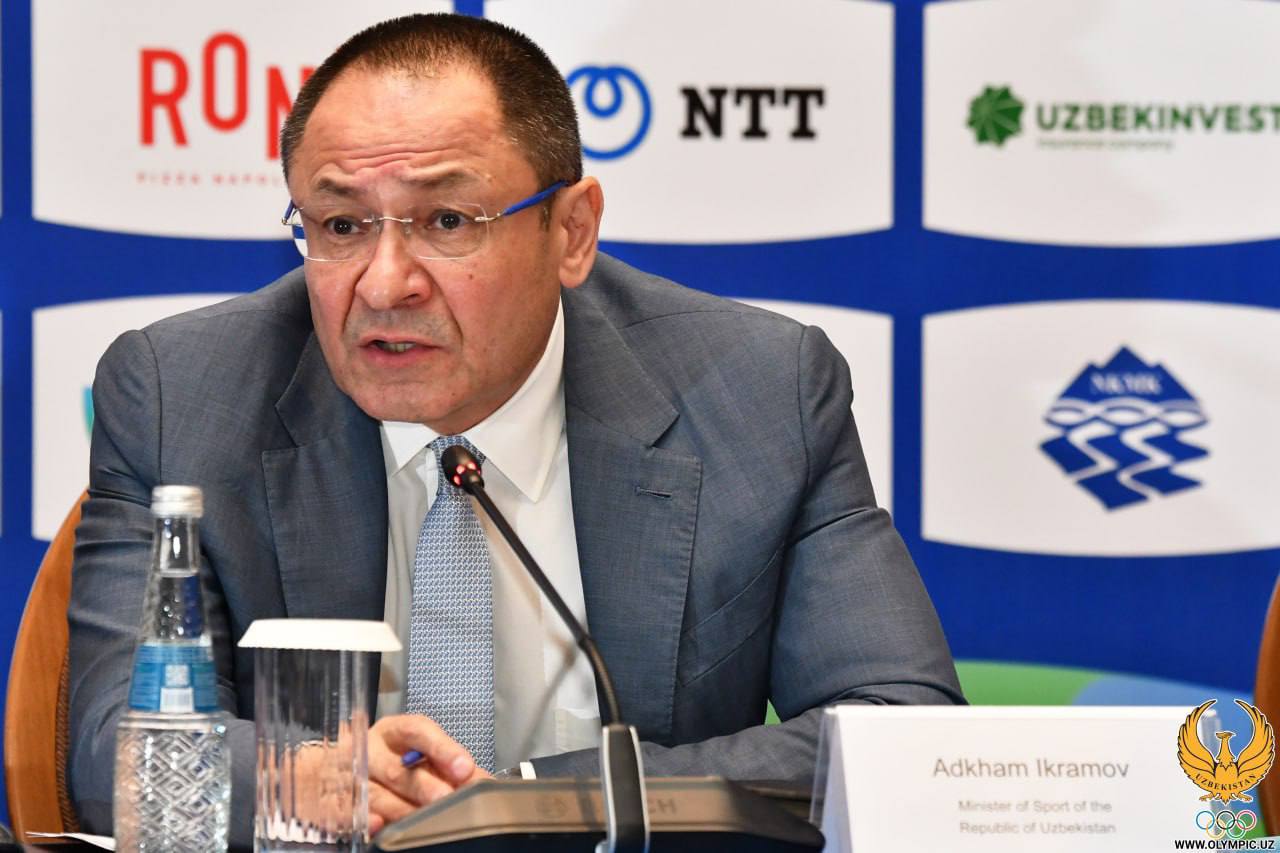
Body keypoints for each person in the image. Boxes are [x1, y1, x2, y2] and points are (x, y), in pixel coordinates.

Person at [67, 12, 963, 847]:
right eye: (340, 224)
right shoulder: (182, 396)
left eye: (447, 221)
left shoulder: (758, 393)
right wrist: (307, 780)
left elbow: (900, 729)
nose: (384, 283)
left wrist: (524, 801)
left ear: (571, 232)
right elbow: (114, 751)